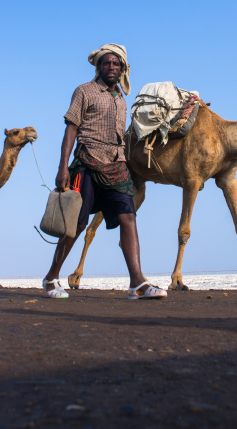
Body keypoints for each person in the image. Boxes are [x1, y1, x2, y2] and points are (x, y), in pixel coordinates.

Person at [43, 43, 167, 300]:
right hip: (86, 162)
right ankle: (51, 277)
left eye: (116, 63)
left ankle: (137, 283)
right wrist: (63, 166)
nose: (111, 67)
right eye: (107, 63)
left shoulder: (121, 99)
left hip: (117, 165)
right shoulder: (84, 91)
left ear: (122, 69)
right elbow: (71, 130)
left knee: (128, 217)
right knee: (76, 224)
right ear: (98, 66)